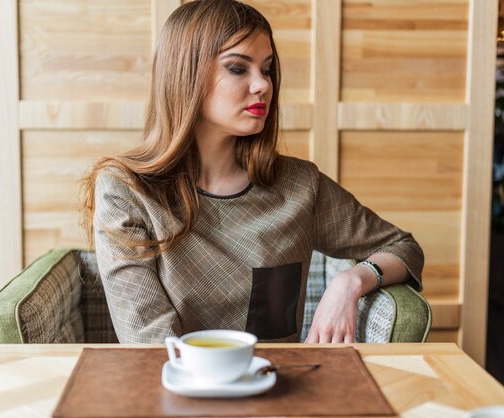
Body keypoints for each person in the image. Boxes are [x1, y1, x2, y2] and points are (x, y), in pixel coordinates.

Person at [81, 0, 423, 344]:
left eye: (267, 68)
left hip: (279, 387)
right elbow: (149, 341)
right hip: (173, 387)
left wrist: (351, 282)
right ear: (185, 75)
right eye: (238, 68)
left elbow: (402, 247)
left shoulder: (301, 185)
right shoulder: (126, 190)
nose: (263, 85)